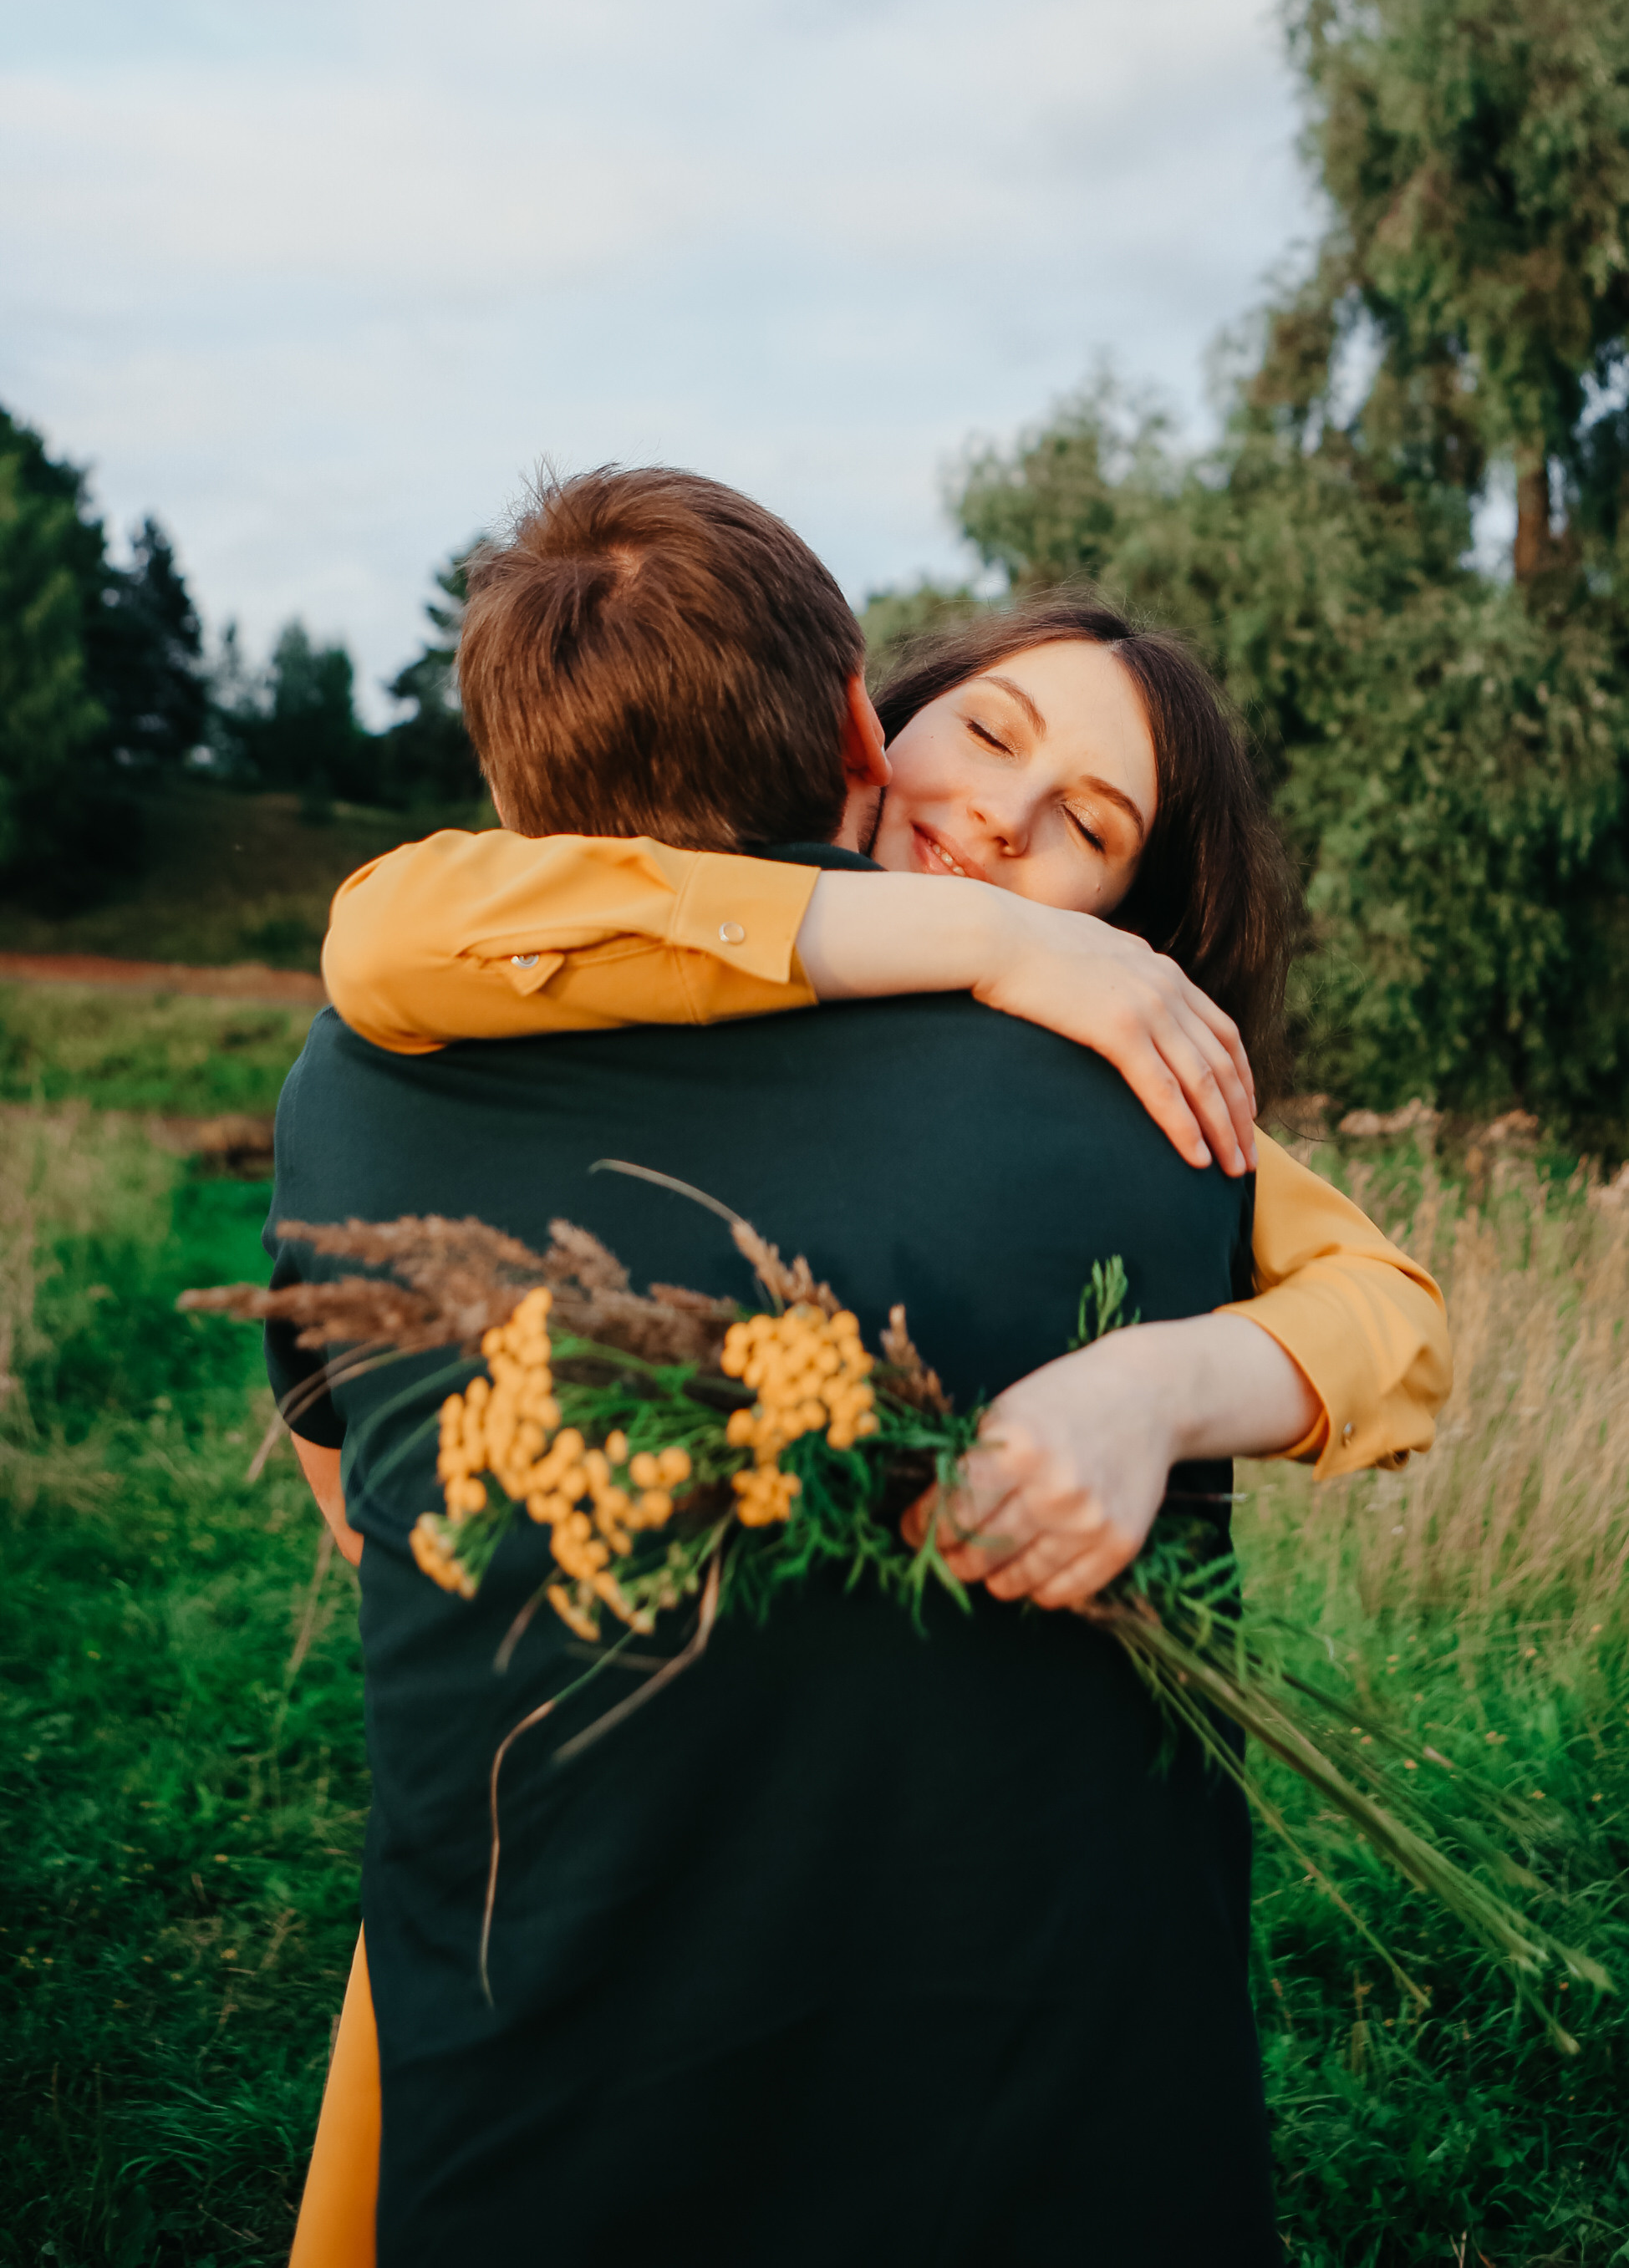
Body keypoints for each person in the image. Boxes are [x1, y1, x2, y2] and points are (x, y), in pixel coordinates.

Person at [276, 468, 1447, 2266]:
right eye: (987, 734)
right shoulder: (542, 938)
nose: (995, 823)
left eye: (1083, 828)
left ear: (1130, 917)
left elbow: (1390, 1311)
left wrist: (1153, 1385)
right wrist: (995, 933)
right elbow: (385, 929)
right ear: (871, 714)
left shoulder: (1111, 1066)